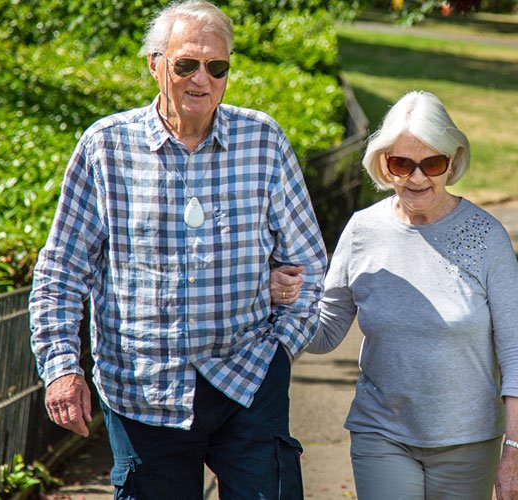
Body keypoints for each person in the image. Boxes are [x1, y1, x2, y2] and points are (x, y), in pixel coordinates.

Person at [28, 1, 327, 498]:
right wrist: (61, 368)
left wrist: (281, 349)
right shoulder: (105, 147)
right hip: (142, 389)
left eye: (217, 67)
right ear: (155, 65)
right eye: (186, 64)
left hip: (248, 376)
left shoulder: (262, 140)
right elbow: (61, 270)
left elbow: (309, 264)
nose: (201, 79)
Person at [271, 91, 518, 500]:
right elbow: (324, 334)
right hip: (382, 433)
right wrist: (286, 297)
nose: (417, 178)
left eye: (432, 163)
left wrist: (515, 453)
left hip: (468, 441)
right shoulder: (362, 231)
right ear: (383, 163)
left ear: (452, 161)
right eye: (402, 164)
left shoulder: (486, 237)